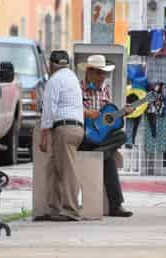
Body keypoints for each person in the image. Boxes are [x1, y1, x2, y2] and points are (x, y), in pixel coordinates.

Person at [79, 54, 133, 217]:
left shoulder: (105, 90)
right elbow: (72, 109)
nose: (103, 77)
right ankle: (116, 206)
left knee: (122, 136)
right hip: (84, 135)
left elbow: (106, 120)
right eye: (100, 73)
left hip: (100, 139)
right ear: (89, 72)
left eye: (104, 73)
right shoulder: (78, 88)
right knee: (108, 160)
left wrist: (123, 113)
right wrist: (87, 113)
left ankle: (100, 153)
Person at [38, 50, 84, 221]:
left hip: (64, 129)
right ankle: (54, 208)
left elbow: (49, 109)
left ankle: (71, 209)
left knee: (67, 170)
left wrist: (44, 135)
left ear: (51, 64)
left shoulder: (54, 80)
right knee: (53, 168)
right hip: (76, 128)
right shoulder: (72, 78)